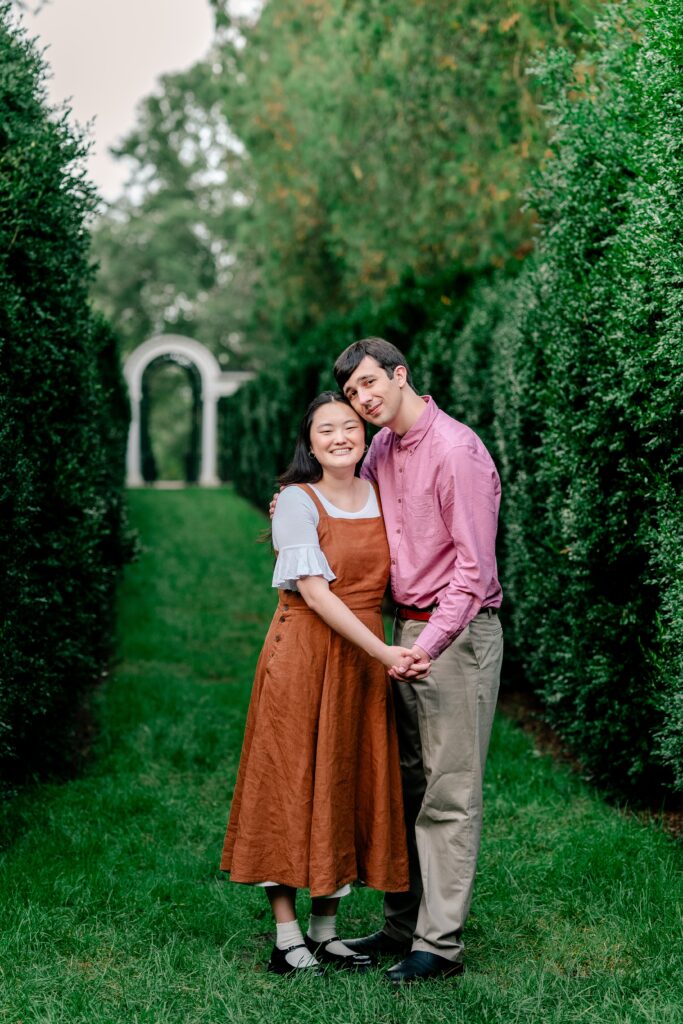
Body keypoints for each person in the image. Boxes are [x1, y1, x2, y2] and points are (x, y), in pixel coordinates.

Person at [221, 391, 412, 977]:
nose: (338, 437)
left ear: (365, 435)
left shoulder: (381, 495)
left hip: (355, 661)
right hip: (304, 654)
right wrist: (384, 650)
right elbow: (315, 591)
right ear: (309, 443)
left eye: (349, 427)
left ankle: (325, 933)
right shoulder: (296, 504)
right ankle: (286, 938)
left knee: (345, 777)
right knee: (290, 781)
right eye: (325, 429)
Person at [332, 338, 504, 984]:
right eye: (352, 394)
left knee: (449, 793)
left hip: (455, 637)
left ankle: (440, 945)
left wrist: (423, 648)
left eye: (371, 384)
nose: (363, 399)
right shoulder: (380, 449)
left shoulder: (454, 450)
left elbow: (472, 570)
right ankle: (401, 925)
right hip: (402, 633)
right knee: (402, 788)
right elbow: (353, 512)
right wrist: (293, 506)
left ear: (400, 376)